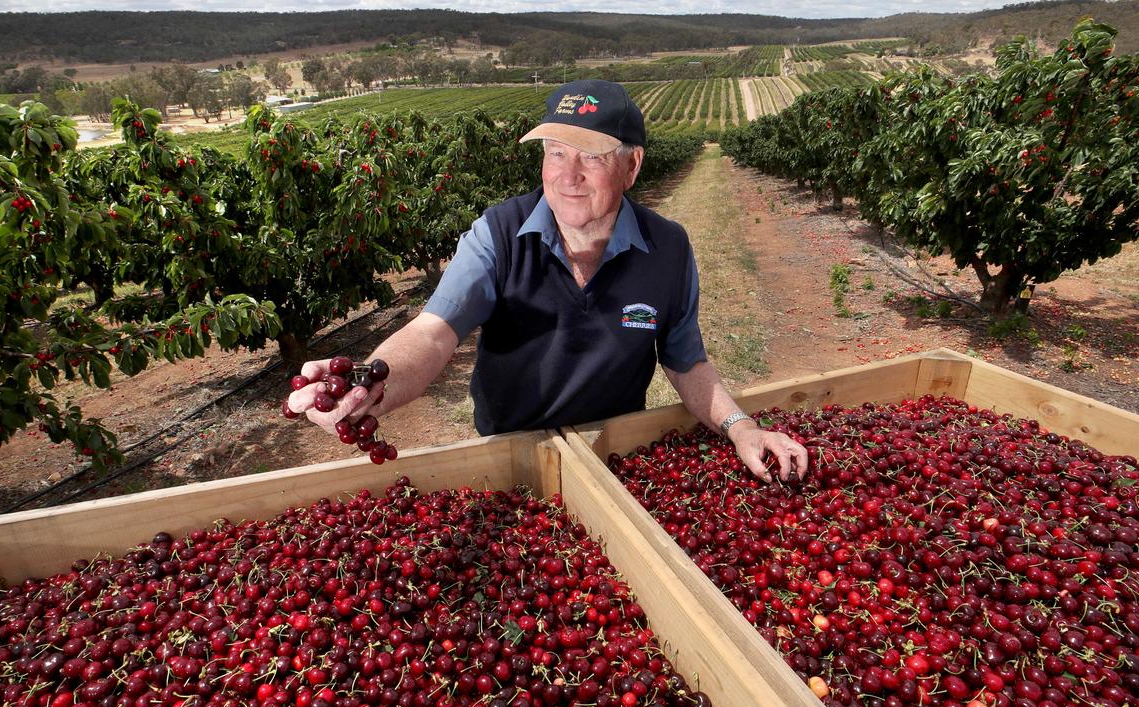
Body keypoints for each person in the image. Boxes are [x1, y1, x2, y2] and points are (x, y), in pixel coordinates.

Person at [287, 79, 809, 480]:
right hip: (510, 447)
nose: (567, 174)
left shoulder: (667, 248)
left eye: (591, 156)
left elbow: (686, 360)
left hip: (612, 448)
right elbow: (432, 333)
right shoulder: (498, 233)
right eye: (555, 152)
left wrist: (742, 429)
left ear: (633, 165)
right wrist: (368, 385)